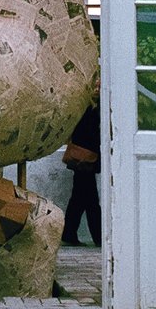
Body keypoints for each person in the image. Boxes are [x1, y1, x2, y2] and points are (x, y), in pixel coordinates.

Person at [62, 85, 101, 247]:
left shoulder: (89, 107)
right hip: (86, 158)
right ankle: (98, 237)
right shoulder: (88, 108)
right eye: (95, 86)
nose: (97, 88)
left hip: (84, 157)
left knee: (79, 199)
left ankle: (69, 233)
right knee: (89, 201)